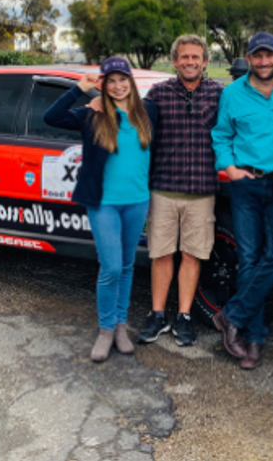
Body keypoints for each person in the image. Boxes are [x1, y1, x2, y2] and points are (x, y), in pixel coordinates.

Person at [91, 35, 224, 347]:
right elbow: (127, 113)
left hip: (202, 190)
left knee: (192, 255)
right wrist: (99, 101)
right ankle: (157, 314)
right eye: (184, 57)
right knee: (161, 254)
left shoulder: (220, 94)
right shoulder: (158, 94)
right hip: (163, 188)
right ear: (175, 61)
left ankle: (184, 317)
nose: (190, 62)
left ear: (205, 62)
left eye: (196, 57)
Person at [43, 56, 158, 363]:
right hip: (104, 203)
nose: (118, 86)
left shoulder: (148, 113)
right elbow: (51, 117)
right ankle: (106, 329)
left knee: (126, 266)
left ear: (130, 82)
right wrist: (80, 89)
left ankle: (121, 325)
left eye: (123, 80)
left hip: (137, 201)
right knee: (110, 267)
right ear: (103, 85)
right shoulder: (91, 114)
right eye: (111, 81)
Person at [210, 32, 273, 370]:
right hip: (246, 185)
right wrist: (230, 168)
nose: (264, 62)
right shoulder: (232, 94)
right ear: (248, 58)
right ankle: (253, 339)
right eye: (257, 56)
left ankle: (230, 315)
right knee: (248, 260)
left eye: (270, 55)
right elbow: (221, 135)